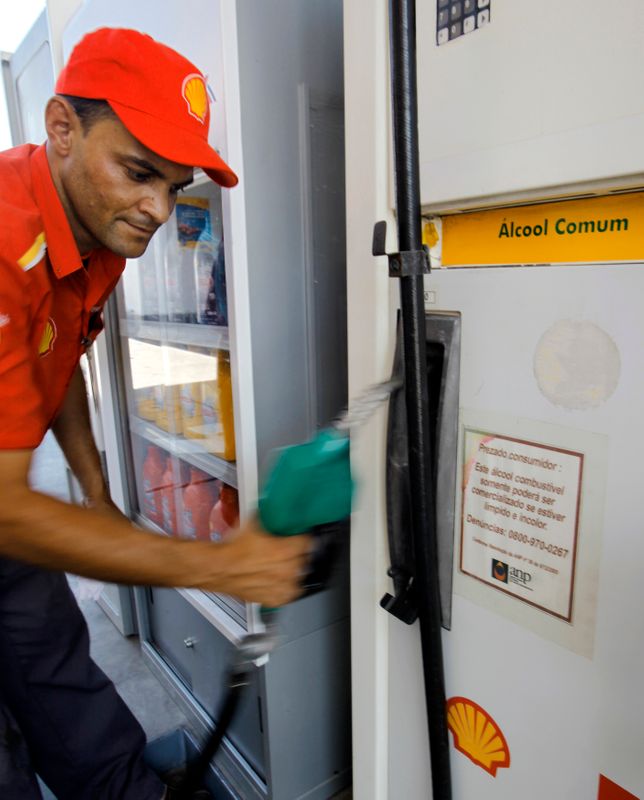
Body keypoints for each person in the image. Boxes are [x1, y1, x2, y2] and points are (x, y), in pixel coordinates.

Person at [0, 27, 312, 800]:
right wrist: (215, 564)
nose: (158, 209)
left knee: (56, 667)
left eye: (174, 185)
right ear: (62, 128)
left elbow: (59, 350)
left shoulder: (96, 236)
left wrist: (96, 490)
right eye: (139, 173)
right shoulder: (5, 246)